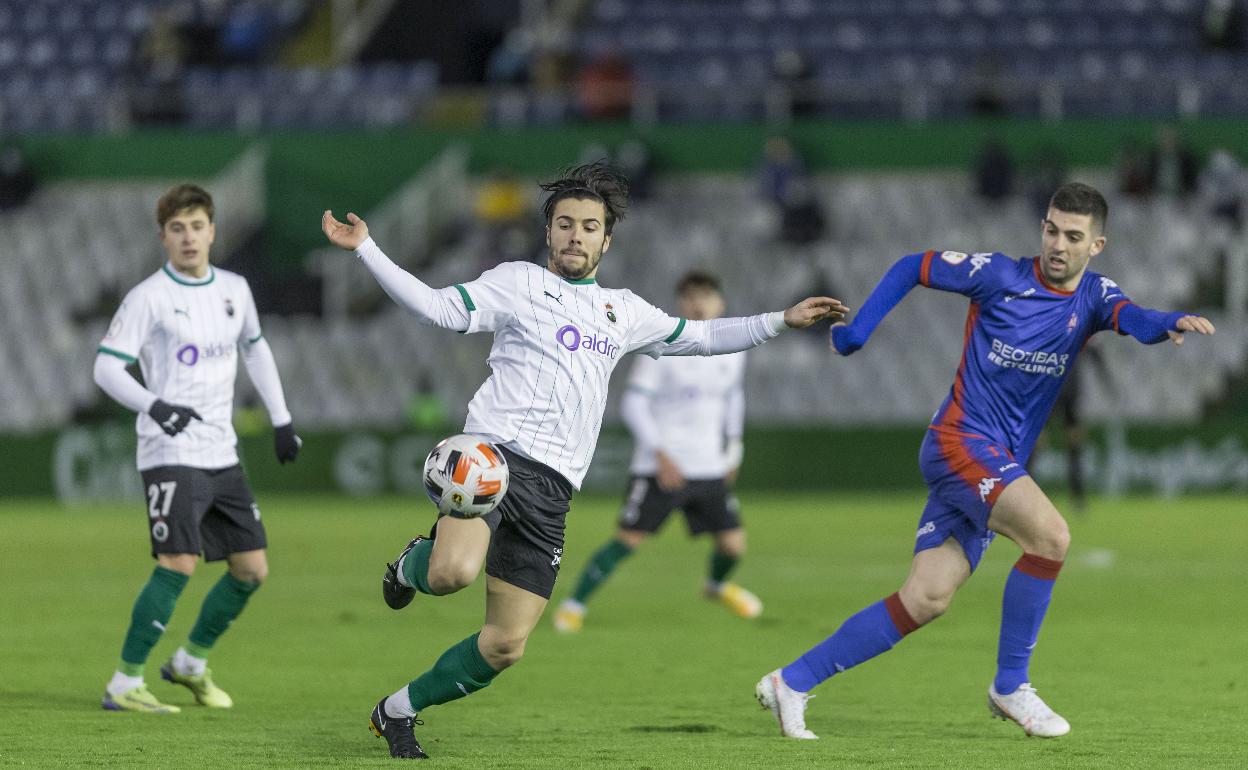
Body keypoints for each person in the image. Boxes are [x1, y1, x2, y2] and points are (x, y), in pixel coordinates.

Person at [320, 162, 846, 760]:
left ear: (606, 239)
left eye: (589, 227)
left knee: (504, 647)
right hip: (490, 459)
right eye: (565, 223)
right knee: (451, 575)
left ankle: (397, 711)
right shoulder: (516, 282)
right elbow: (440, 309)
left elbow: (700, 337)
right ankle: (410, 568)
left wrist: (782, 320)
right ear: (548, 232)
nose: (575, 235)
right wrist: (366, 247)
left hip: (554, 489)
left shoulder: (623, 312)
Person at [755, 182, 1214, 740]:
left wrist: (1168, 322)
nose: (1057, 245)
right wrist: (857, 332)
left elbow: (1134, 318)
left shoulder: (1094, 296)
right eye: (1051, 229)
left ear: (1097, 246)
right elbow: (912, 266)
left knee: (926, 598)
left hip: (994, 461)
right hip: (960, 443)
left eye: (1073, 236)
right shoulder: (998, 275)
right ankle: (1011, 685)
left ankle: (791, 683)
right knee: (1051, 537)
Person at [93, 184, 302, 713]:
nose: (189, 237)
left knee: (252, 569)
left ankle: (190, 662)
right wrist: (154, 406)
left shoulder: (234, 288)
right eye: (177, 229)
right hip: (169, 450)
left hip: (221, 452)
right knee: (179, 560)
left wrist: (281, 420)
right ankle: (124, 682)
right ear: (163, 237)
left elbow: (256, 350)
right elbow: (106, 366)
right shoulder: (147, 297)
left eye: (197, 226)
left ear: (213, 231)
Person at [551, 271, 761, 634]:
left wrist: (734, 449)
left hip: (708, 466)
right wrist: (660, 454)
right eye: (691, 296)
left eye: (706, 295)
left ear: (720, 303)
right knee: (628, 539)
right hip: (660, 466)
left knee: (733, 545)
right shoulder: (660, 346)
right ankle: (573, 605)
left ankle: (715, 587)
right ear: (681, 303)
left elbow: (733, 398)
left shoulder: (732, 348)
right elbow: (633, 404)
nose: (698, 303)